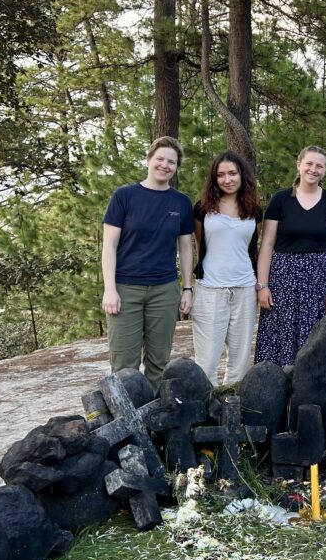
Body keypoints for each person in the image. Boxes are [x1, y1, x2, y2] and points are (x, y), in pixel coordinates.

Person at [101, 136, 195, 390]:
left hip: (164, 291)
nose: (165, 165)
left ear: (176, 167)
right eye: (160, 159)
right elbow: (109, 246)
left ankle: (154, 413)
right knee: (125, 366)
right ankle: (127, 412)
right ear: (148, 160)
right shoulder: (124, 196)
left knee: (159, 364)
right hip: (125, 290)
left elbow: (186, 247)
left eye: (171, 162)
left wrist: (187, 288)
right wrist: (110, 289)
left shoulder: (181, 202)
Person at [254, 146, 326, 366]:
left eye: (319, 166)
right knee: (281, 333)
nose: (313, 169)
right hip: (283, 278)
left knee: (315, 335)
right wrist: (262, 285)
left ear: (325, 171)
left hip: (319, 279)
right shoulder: (280, 200)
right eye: (309, 164)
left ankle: (310, 384)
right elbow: (267, 244)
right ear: (299, 165)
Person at [192, 151, 262, 386]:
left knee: (240, 361)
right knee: (207, 360)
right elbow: (200, 245)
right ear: (214, 178)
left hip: (245, 289)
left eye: (232, 173)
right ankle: (206, 404)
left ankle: (233, 403)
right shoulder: (202, 208)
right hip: (210, 289)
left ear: (242, 175)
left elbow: (251, 248)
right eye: (221, 175)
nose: (227, 179)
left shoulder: (254, 210)